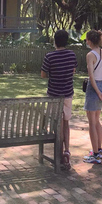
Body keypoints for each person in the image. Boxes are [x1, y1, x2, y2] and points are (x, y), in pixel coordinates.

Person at [40, 29, 77, 170]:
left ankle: (60, 153)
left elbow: (43, 75)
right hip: (68, 94)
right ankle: (66, 150)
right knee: (65, 122)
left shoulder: (50, 56)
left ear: (55, 41)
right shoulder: (72, 55)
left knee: (57, 124)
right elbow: (73, 70)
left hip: (54, 95)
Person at [82, 30, 102, 164]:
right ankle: (98, 150)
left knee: (92, 122)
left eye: (87, 39)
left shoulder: (90, 55)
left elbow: (91, 76)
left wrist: (98, 93)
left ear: (90, 40)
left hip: (93, 88)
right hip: (101, 86)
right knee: (97, 120)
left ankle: (95, 154)